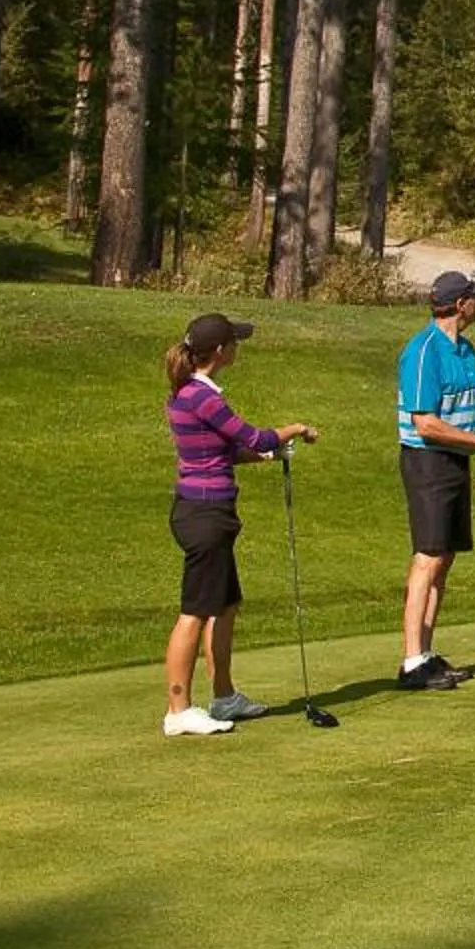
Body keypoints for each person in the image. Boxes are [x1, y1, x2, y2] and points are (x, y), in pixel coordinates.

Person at [160, 313, 317, 737]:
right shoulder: (202, 397)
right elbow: (255, 437)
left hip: (211, 512)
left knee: (225, 605)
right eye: (235, 342)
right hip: (204, 514)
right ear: (220, 352)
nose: (238, 348)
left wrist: (267, 457)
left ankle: (225, 695)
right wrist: (295, 430)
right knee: (194, 613)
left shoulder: (190, 393)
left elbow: (223, 452)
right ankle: (178, 709)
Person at [395, 269, 475, 691]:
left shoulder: (465, 350)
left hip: (455, 462)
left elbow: (473, 404)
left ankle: (426, 655)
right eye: (474, 298)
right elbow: (425, 423)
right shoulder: (423, 351)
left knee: (444, 559)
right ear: (461, 304)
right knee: (427, 557)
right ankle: (411, 661)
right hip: (427, 463)